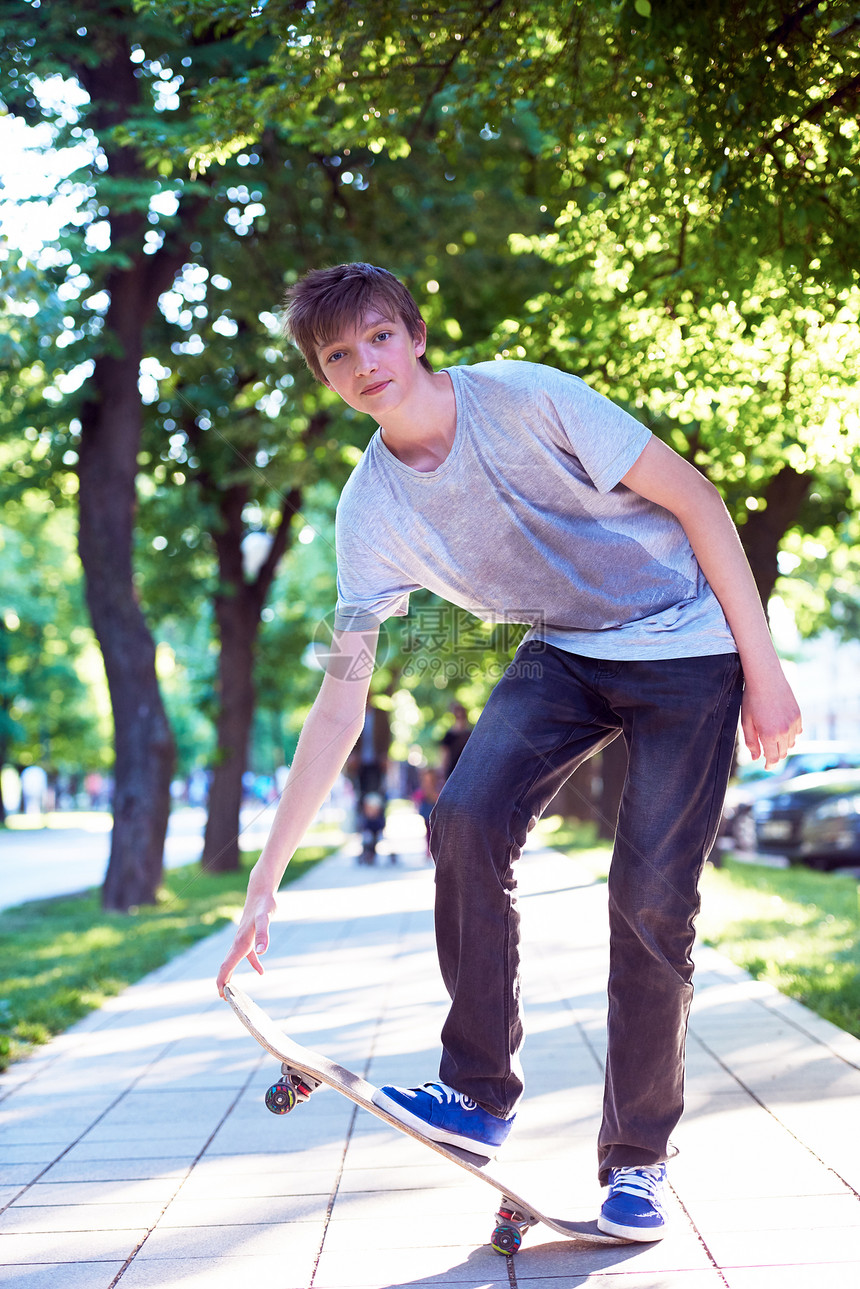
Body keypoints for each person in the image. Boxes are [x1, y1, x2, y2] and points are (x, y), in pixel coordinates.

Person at [217, 262, 801, 1242]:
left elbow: (697, 499)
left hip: (690, 644)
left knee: (652, 897)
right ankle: (477, 1093)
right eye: (336, 355)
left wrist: (764, 668)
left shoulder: (527, 397)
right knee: (465, 815)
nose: (364, 364)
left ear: (413, 334)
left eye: (377, 337)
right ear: (322, 377)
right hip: (564, 652)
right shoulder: (369, 512)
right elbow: (339, 701)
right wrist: (265, 878)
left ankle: (638, 1162)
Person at [439, 702, 473, 781]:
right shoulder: (448, 736)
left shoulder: (470, 735)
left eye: (462, 716)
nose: (460, 719)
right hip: (452, 774)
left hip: (467, 773)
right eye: (458, 717)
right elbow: (444, 756)